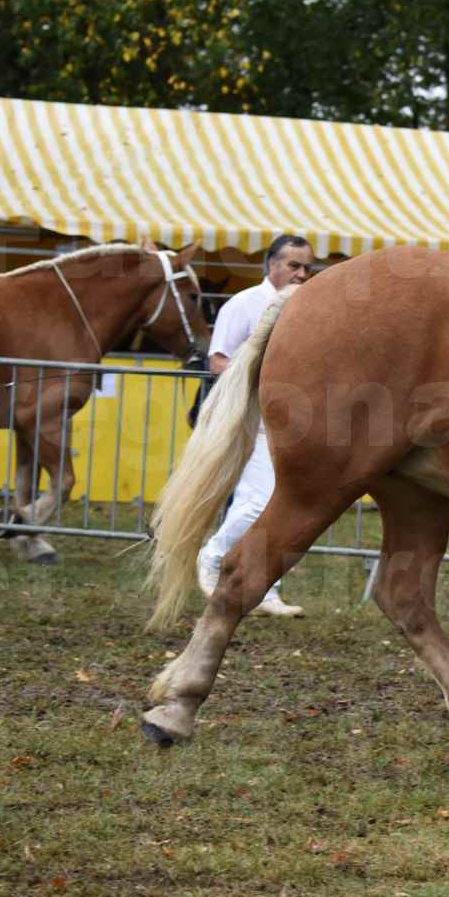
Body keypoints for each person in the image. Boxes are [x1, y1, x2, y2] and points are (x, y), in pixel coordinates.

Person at [195, 234, 314, 617]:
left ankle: (265, 586)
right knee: (258, 501)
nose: (301, 273)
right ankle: (213, 557)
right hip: (252, 416)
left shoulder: (308, 308)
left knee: (279, 504)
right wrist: (266, 380)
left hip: (292, 420)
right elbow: (217, 361)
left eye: (306, 267)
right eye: (293, 265)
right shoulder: (243, 304)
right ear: (271, 265)